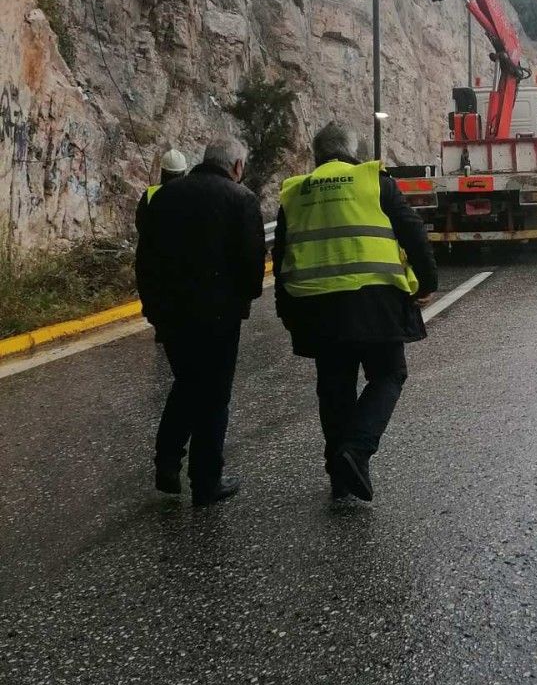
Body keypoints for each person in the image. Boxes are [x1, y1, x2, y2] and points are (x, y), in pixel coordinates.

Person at [272, 121, 438, 502]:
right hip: (375, 302)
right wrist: (428, 283)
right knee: (389, 374)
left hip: (317, 307)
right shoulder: (372, 180)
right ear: (353, 152)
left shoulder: (295, 192)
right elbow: (412, 231)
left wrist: (286, 311)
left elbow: (280, 256)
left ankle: (339, 475)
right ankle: (357, 450)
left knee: (334, 387)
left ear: (316, 155)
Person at [135, 136, 265, 506]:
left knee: (188, 383)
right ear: (237, 167)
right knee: (214, 395)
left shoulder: (163, 197)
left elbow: (145, 260)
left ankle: (167, 462)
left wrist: (154, 309)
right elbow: (252, 268)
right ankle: (206, 481)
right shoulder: (241, 199)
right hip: (219, 317)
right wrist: (242, 299)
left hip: (171, 315)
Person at [135, 148, 187, 234]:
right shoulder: (189, 195)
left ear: (162, 170)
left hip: (150, 245)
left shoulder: (150, 193)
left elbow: (139, 222)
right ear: (183, 172)